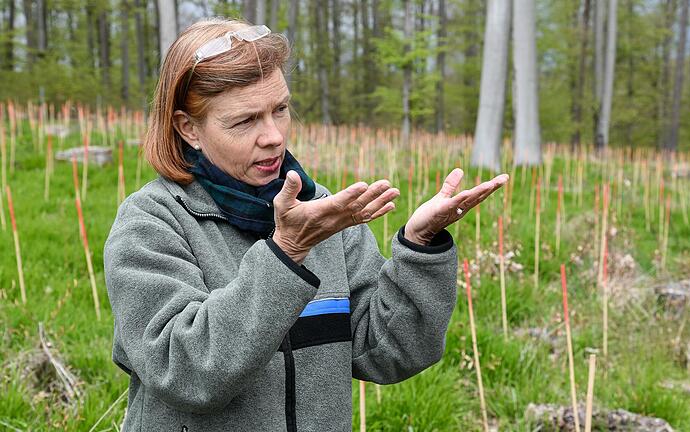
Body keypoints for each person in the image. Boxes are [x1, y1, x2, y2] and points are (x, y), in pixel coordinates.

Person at [103, 17, 507, 432]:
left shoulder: (321, 212)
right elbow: (186, 372)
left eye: (280, 109)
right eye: (245, 121)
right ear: (189, 128)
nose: (274, 135)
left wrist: (421, 247)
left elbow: (388, 351)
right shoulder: (152, 222)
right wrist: (287, 253)